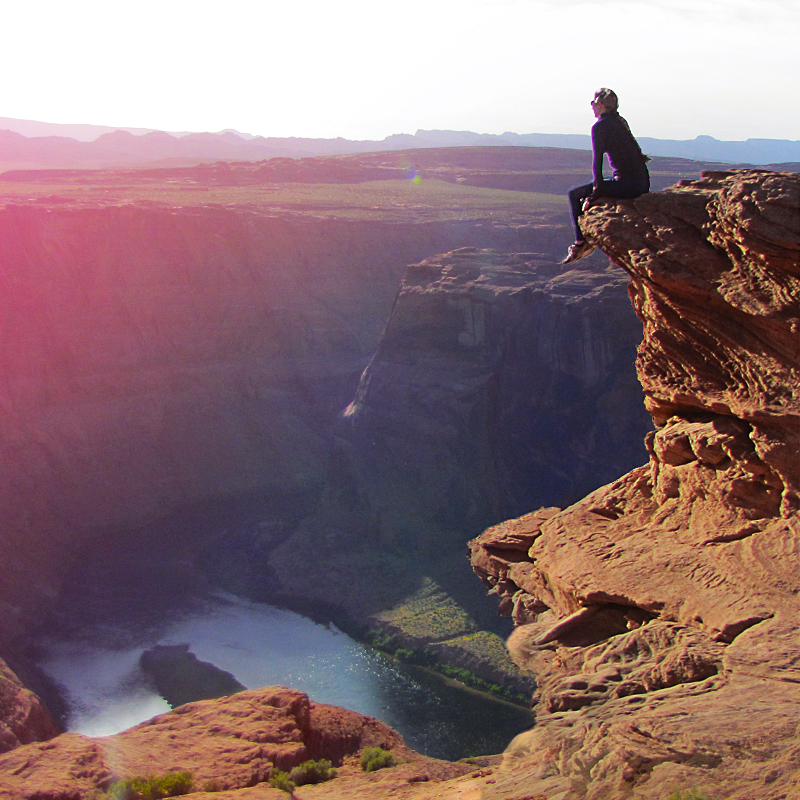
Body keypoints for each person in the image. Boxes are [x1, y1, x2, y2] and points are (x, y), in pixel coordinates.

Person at [562, 88, 650, 264]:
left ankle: (581, 243)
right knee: (589, 189)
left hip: (627, 184)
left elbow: (597, 162)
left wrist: (596, 193)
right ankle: (582, 243)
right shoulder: (620, 121)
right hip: (641, 183)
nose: (592, 106)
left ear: (601, 104)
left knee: (574, 195)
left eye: (593, 103)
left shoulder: (600, 127)